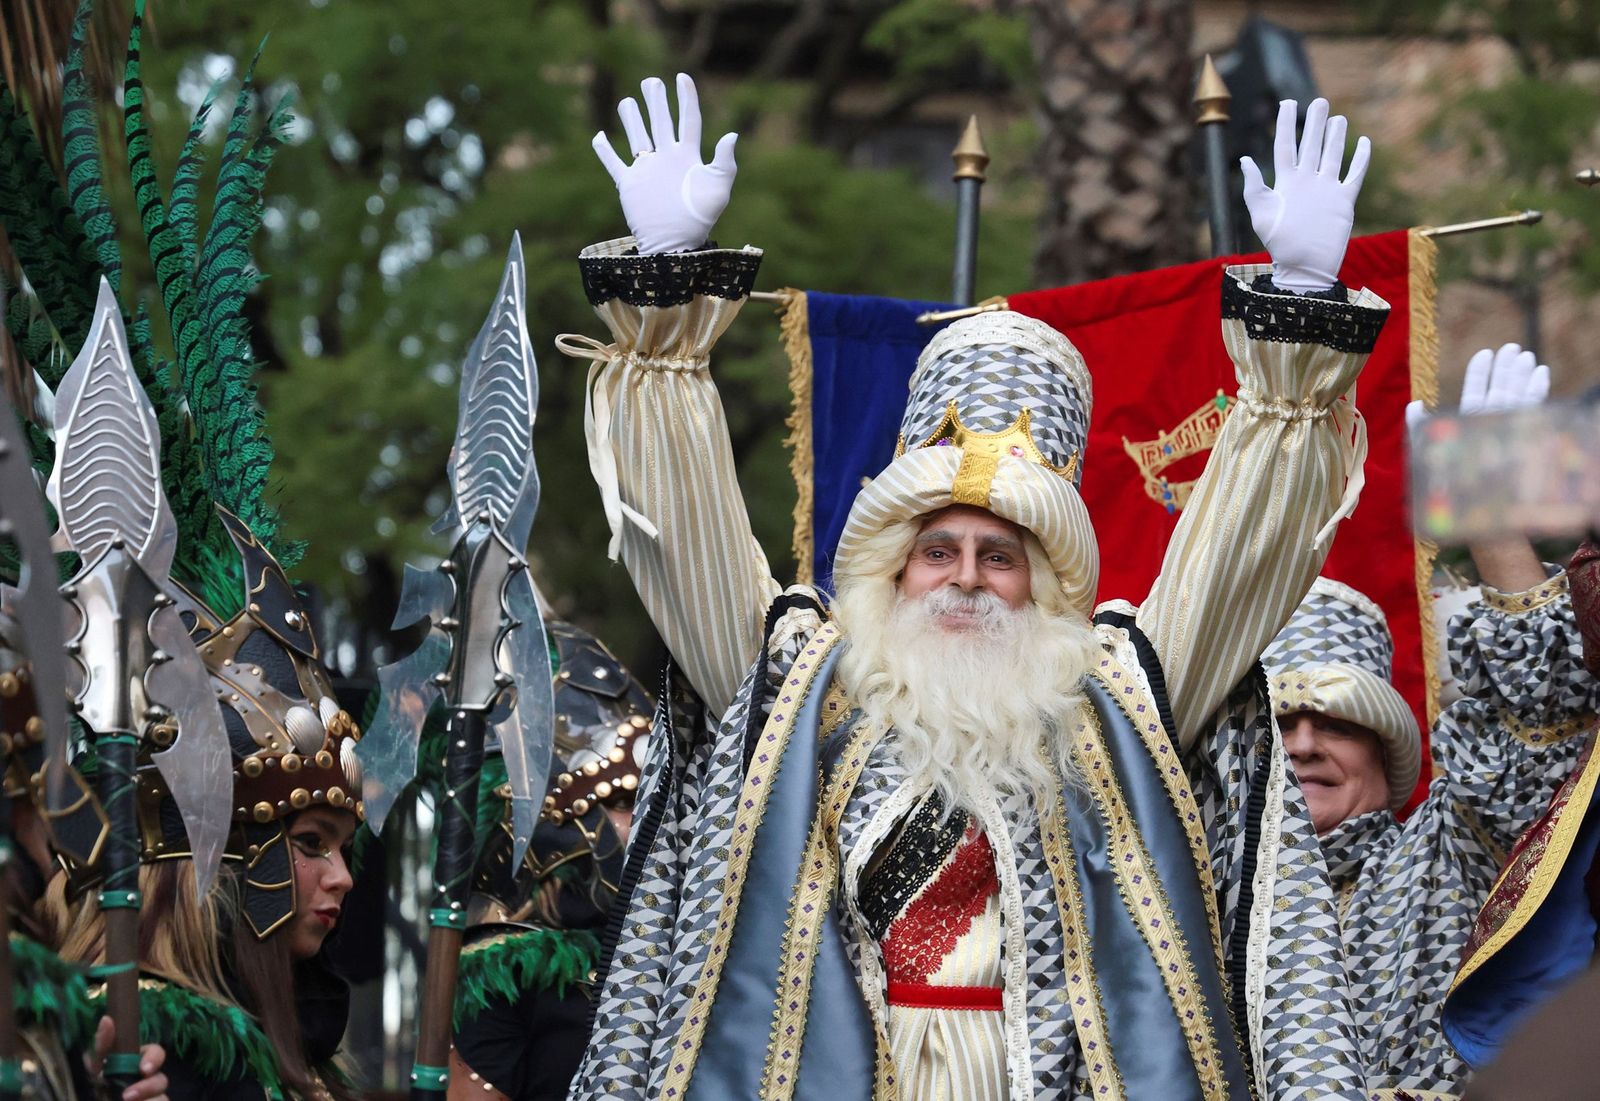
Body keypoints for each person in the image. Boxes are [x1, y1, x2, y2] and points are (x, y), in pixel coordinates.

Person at [560, 76, 1387, 1099]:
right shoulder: (802, 685)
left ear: (1042, 579)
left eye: (999, 556)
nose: (964, 578)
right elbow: (683, 535)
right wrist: (662, 297)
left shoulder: (1113, 695)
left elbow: (1242, 549)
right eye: (938, 549)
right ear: (893, 563)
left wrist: (1300, 302)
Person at [0, 11, 364, 1098]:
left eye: (335, 844)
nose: (341, 877)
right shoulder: (147, 1048)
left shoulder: (284, 1046)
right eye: (308, 840)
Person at [1261, 343, 1599, 1100]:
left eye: (1337, 725)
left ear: (1387, 753)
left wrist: (1489, 519)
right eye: (1282, 726)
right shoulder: (1204, 898)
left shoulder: (1448, 847)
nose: (1305, 745)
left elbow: (1541, 728)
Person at [447, 616, 653, 1101]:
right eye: (622, 802)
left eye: (649, 800)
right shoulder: (505, 966)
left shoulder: (683, 942)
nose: (644, 820)